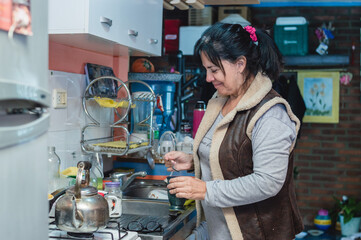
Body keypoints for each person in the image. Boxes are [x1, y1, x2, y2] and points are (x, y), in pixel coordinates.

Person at [164, 22, 304, 240]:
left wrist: (206, 190)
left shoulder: (270, 114)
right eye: (206, 70)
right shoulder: (221, 101)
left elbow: (268, 182)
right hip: (216, 230)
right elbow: (233, 156)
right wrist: (194, 160)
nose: (209, 78)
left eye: (214, 70)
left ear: (240, 64)